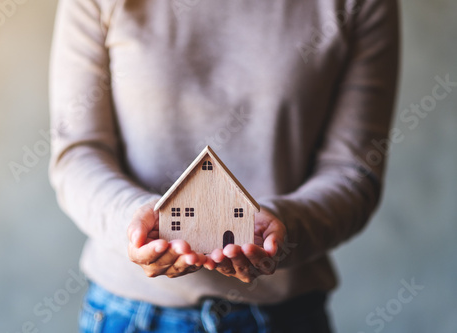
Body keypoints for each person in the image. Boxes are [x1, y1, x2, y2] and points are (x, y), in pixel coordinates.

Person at [49, 0, 399, 332]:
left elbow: (355, 171)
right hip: (128, 313)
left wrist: (283, 225)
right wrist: (133, 220)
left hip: (287, 315)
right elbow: (78, 153)